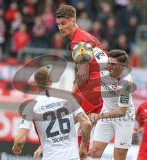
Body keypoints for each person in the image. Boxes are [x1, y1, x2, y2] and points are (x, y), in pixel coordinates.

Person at [55, 4, 109, 149]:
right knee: (84, 124)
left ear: (73, 20)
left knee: (63, 121)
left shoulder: (78, 42)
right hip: (101, 85)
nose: (60, 27)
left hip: (92, 85)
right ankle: (82, 152)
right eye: (58, 24)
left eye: (64, 23)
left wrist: (73, 92)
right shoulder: (85, 36)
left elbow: (83, 73)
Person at [12, 67, 92, 160]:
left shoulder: (30, 107)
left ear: (35, 83)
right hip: (72, 156)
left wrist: (16, 147)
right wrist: (83, 147)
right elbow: (87, 123)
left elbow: (19, 140)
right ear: (50, 81)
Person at [89, 49, 135, 160]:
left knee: (118, 156)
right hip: (106, 115)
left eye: (113, 64)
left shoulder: (126, 83)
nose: (109, 67)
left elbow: (121, 111)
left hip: (124, 119)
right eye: (108, 63)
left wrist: (99, 116)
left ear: (123, 66)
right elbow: (92, 47)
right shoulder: (103, 61)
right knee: (94, 151)